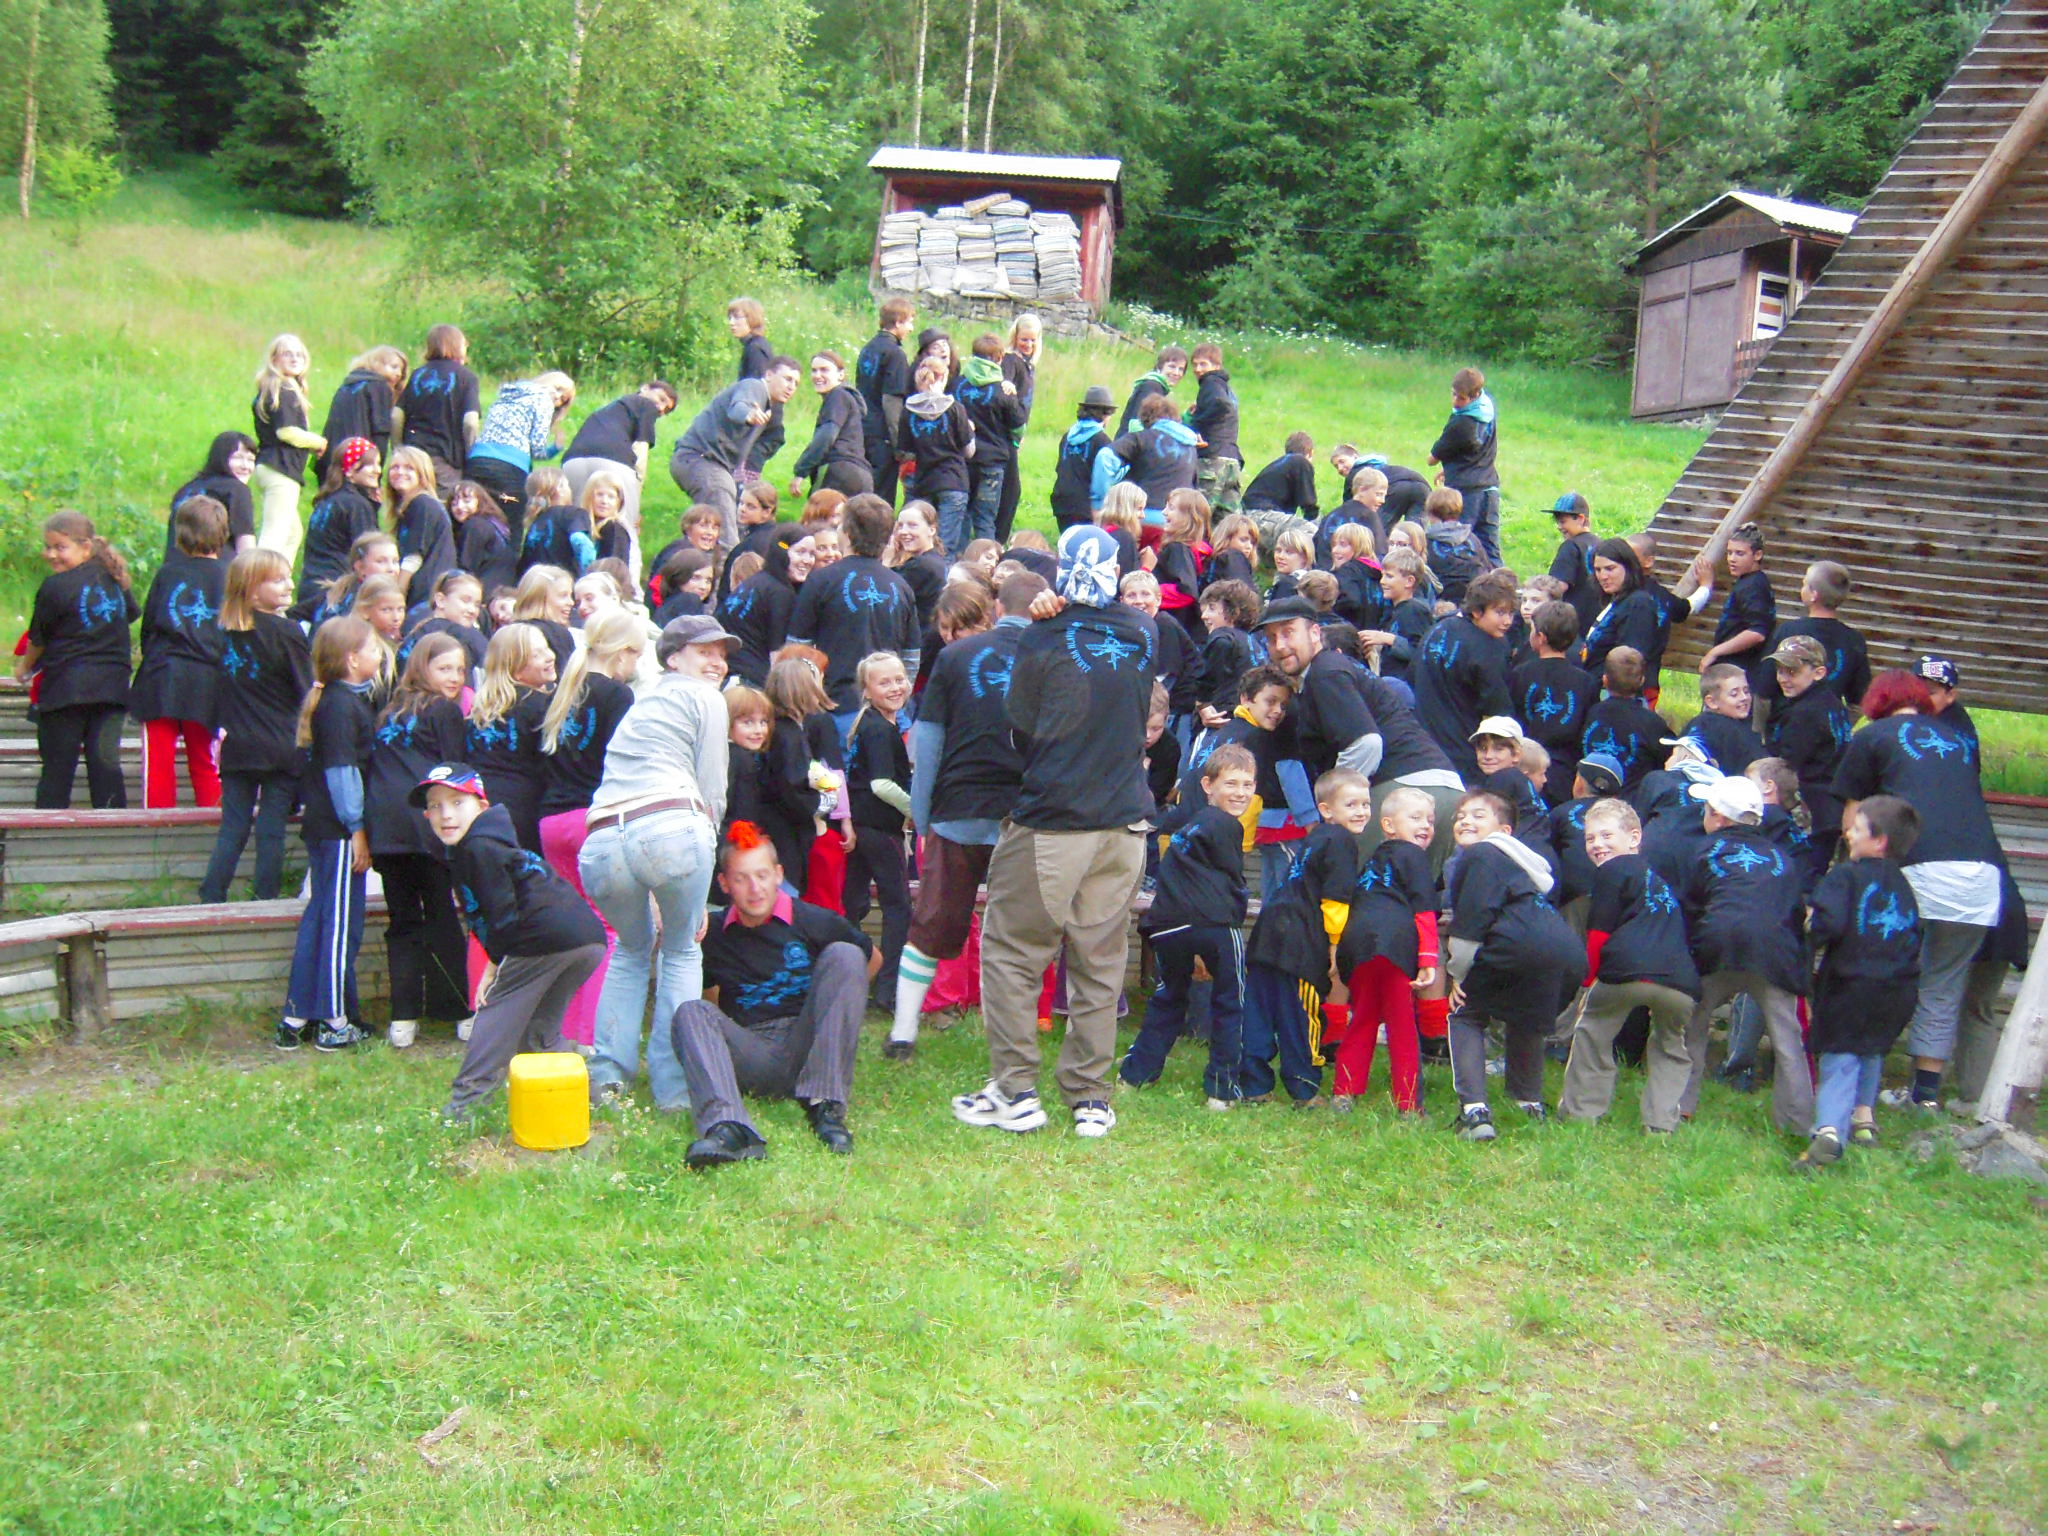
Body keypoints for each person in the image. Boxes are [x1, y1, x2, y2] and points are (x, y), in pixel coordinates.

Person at [951, 527, 1154, 1138]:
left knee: (1013, 953)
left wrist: (1046, 614)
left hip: (1052, 821)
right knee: (1100, 961)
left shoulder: (1040, 636)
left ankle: (1015, 1091)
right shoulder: (1144, 633)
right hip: (1124, 824)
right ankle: (1091, 1098)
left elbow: (1019, 731)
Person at [1832, 670, 2004, 1113]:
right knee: (1943, 983)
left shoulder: (1872, 737)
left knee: (1878, 969)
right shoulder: (1956, 741)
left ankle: (1857, 1081)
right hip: (1983, 876)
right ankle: (1924, 1096)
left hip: (1920, 869)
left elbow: (1853, 820)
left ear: (1877, 702)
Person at [579, 614, 731, 1112]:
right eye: (704, 651)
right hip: (672, 828)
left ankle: (608, 1078)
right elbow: (712, 789)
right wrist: (703, 876)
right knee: (682, 951)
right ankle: (674, 1089)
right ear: (673, 658)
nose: (717, 662)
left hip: (603, 840)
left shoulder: (639, 703)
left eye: (721, 654)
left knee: (629, 949)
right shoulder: (706, 698)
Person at [887, 571, 1038, 1057]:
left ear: (997, 608)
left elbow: (928, 743)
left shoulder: (953, 657)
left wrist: (922, 817)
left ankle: (902, 1033)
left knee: (931, 925)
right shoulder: (1053, 657)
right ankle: (1013, 1038)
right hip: (1028, 817)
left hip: (958, 810)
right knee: (1018, 934)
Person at [670, 821, 875, 1167]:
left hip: (809, 1041)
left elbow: (870, 961)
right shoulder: (714, 933)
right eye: (741, 879)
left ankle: (825, 1105)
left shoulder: (813, 920)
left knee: (846, 955)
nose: (755, 889)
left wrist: (839, 1014)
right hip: (755, 1051)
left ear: (779, 875)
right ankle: (729, 1128)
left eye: (762, 875)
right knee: (691, 1012)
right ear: (724, 884)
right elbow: (709, 995)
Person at [412, 764, 608, 1120]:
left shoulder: (478, 848)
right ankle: (592, 1099)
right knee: (539, 1033)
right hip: (586, 939)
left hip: (543, 938)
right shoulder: (493, 842)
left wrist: (496, 967)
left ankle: (465, 1107)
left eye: (457, 802)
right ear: (427, 815)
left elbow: (501, 913)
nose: (446, 814)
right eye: (436, 806)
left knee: (494, 1015)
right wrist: (496, 960)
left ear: (481, 806)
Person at [1676, 773, 1813, 1135]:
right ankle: (1797, 1123)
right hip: (1773, 951)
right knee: (1788, 1041)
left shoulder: (1702, 851)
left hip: (1716, 942)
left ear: (1719, 818)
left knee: (1692, 1025)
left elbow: (1688, 906)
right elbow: (1794, 913)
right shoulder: (1781, 857)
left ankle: (1679, 1106)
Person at [1119, 743, 1255, 1105]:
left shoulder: (1187, 825)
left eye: (1247, 784)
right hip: (1213, 923)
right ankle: (1222, 1090)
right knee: (1230, 1003)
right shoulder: (1226, 825)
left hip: (1168, 925)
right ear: (1208, 785)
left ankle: (1135, 1074)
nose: (1241, 793)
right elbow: (1233, 880)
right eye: (1231, 783)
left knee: (1168, 999)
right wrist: (1233, 916)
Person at [1442, 790, 1581, 1140]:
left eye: (1478, 815)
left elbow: (1473, 918)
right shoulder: (1522, 869)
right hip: (1565, 949)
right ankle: (1528, 1104)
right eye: (1461, 816)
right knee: (1528, 1019)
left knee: (1465, 1013)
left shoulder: (1481, 854)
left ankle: (1475, 1113)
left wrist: (1458, 973)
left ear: (1504, 831)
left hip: (1515, 943)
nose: (1465, 821)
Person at [534, 611, 644, 1048]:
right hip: (591, 819)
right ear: (623, 653)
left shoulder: (563, 690)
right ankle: (591, 1036)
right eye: (637, 656)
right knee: (607, 929)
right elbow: (623, 762)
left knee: (573, 929)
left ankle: (561, 1029)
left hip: (552, 822)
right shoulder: (617, 694)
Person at [1556, 797, 1700, 1131]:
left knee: (1592, 1033)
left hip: (1626, 970)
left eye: (1607, 835)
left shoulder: (1613, 870)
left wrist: (1588, 981)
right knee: (1671, 1046)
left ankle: (1581, 1113)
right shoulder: (1659, 881)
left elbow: (1598, 933)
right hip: (1679, 982)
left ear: (1634, 837)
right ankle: (1661, 1123)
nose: (1597, 844)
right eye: (1590, 838)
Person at [1798, 794, 1924, 1170]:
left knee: (1840, 1057)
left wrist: (1809, 927)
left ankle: (1828, 1132)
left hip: (1851, 984)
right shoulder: (1904, 885)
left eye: (1856, 829)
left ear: (1879, 840)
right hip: (1898, 987)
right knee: (1871, 1049)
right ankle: (1863, 1123)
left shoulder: (1845, 875)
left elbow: (1829, 923)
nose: (1848, 834)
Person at [276, 617, 383, 1052]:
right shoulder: (341, 706)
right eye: (373, 648)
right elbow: (343, 774)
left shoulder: (339, 701)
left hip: (326, 828)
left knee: (320, 918)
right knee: (340, 925)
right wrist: (356, 828)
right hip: (338, 831)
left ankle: (296, 1016)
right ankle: (334, 1021)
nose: (379, 655)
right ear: (353, 659)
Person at [366, 634, 473, 1049]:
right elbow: (456, 770)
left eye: (460, 670)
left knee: (404, 921)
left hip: (385, 830)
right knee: (442, 914)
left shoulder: (388, 711)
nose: (455, 677)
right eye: (444, 668)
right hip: (426, 825)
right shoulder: (443, 711)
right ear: (420, 667)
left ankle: (403, 1016)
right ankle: (458, 1009)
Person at [1241, 768, 1369, 1106]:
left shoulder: (1316, 838)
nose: (1360, 811)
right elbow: (1335, 900)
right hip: (1298, 942)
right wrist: (1335, 946)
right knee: (1302, 1015)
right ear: (1326, 810)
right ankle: (1304, 1087)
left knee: (1260, 1010)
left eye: (1365, 804)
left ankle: (1254, 1085)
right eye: (1351, 804)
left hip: (1268, 932)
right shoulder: (1341, 841)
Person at [200, 551, 310, 902]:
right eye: (277, 580)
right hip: (281, 743)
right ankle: (265, 897)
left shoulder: (224, 632)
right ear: (251, 588)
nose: (289, 585)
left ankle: (212, 894)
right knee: (271, 828)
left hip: (238, 743)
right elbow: (306, 690)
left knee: (233, 826)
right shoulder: (287, 632)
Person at [19, 511, 138, 810]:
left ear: (86, 547)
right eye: (48, 547)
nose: (51, 555)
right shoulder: (114, 579)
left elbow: (38, 640)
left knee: (57, 769)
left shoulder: (55, 587)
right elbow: (131, 614)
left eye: (60, 547)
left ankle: (48, 826)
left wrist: (24, 667)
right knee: (106, 766)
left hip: (66, 690)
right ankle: (113, 826)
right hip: (112, 689)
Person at [1332, 785, 1440, 1114]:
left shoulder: (1372, 862)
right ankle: (1408, 1104)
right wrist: (1428, 958)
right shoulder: (1414, 856)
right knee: (1402, 1024)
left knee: (1363, 1017)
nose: (1425, 825)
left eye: (1430, 820)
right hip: (1394, 945)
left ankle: (1344, 1092)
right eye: (1416, 818)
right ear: (1389, 825)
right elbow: (1424, 910)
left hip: (1357, 945)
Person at [782, 493, 920, 721]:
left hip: (835, 707)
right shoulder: (901, 586)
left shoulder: (820, 581)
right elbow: (911, 657)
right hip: (886, 712)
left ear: (845, 532)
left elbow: (797, 649)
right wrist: (898, 702)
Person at [132, 496, 227, 809]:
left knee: (158, 762)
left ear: (180, 533)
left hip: (162, 676)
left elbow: (149, 628)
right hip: (209, 679)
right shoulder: (231, 576)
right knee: (205, 762)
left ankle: (156, 827)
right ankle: (211, 824)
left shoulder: (168, 573)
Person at [841, 653, 913, 1011]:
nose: (895, 687)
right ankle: (888, 990)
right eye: (884, 682)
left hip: (859, 828)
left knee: (853, 904)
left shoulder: (871, 724)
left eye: (899, 679)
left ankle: (847, 980)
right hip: (879, 831)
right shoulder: (880, 730)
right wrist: (916, 812)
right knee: (898, 907)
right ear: (867, 691)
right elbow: (881, 784)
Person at [670, 358, 801, 554]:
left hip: (714, 464)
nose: (791, 387)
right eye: (787, 379)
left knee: (724, 523)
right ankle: (728, 567)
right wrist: (749, 415)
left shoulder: (773, 407)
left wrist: (749, 464)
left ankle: (694, 560)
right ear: (769, 375)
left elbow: (775, 438)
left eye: (796, 383)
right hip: (699, 458)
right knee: (727, 536)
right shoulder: (754, 387)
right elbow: (738, 407)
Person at [1409, 568, 1517, 783]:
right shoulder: (1488, 647)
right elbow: (1498, 708)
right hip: (1464, 749)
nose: (1508, 621)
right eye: (1500, 613)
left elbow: (1411, 676)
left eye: (1511, 613)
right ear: (1477, 611)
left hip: (1422, 743)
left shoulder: (1437, 629)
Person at [1761, 634, 1853, 870]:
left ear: (1818, 673)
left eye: (1792, 672)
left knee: (1802, 875)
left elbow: (1786, 765)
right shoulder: (1833, 703)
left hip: (1810, 812)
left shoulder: (1804, 713)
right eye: (1780, 671)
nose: (1783, 679)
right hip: (1832, 807)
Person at [466, 624, 555, 852]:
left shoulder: (479, 710)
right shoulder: (540, 706)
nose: (550, 657)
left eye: (547, 648)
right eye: (537, 654)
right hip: (525, 812)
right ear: (515, 669)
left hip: (480, 810)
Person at [465, 372, 576, 553]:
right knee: (513, 522)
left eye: (562, 399)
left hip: (477, 462)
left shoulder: (507, 395)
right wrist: (556, 448)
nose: (557, 397)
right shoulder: (542, 399)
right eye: (558, 389)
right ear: (546, 381)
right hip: (508, 469)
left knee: (473, 515)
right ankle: (507, 566)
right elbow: (537, 448)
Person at [1758, 560, 1870, 725]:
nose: (1802, 588)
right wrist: (1837, 727)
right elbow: (1858, 701)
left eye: (1804, 584)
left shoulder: (1788, 632)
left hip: (1786, 726)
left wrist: (1761, 730)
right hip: (1827, 731)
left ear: (1813, 595)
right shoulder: (1854, 640)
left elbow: (1764, 690)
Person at [1508, 600, 1598, 803]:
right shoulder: (1586, 682)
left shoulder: (1520, 674)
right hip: (1565, 771)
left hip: (1525, 764)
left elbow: (1513, 717)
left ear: (1540, 638)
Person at [250, 333, 325, 563]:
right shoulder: (283, 388)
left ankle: (280, 580)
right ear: (274, 359)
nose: (295, 358)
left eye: (299, 354)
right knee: (274, 537)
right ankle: (258, 581)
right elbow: (287, 432)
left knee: (292, 534)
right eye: (288, 354)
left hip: (270, 467)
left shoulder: (276, 387)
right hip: (280, 470)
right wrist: (320, 443)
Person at [562, 380, 677, 529]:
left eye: (666, 410)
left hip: (572, 462)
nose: (660, 408)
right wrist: (635, 495)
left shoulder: (604, 411)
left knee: (577, 525)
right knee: (624, 528)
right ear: (644, 388)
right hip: (614, 461)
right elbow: (640, 449)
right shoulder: (645, 404)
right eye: (661, 399)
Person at [896, 355, 975, 553]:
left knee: (920, 545)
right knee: (945, 547)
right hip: (953, 479)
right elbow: (969, 451)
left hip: (924, 481)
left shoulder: (908, 410)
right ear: (943, 377)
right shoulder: (955, 408)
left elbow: (905, 451)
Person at [953, 335, 1025, 549]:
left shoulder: (956, 385)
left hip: (963, 460)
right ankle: (987, 559)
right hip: (992, 462)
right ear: (1000, 358)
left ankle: (959, 559)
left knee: (962, 514)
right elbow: (1017, 424)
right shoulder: (1003, 390)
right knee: (985, 517)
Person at [393, 324, 481, 495]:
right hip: (444, 460)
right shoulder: (467, 377)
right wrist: (471, 456)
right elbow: (470, 423)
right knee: (444, 507)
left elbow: (396, 416)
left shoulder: (417, 375)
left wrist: (398, 449)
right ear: (456, 345)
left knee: (411, 504)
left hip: (413, 456)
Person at [1427, 365, 1500, 565]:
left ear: (1474, 396)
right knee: (1490, 551)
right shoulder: (1487, 409)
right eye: (1453, 395)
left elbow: (1432, 459)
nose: (1455, 402)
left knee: (1458, 546)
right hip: (1489, 488)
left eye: (1461, 398)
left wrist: (1445, 462)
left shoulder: (1461, 423)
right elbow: (1476, 449)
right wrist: (1450, 467)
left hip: (1466, 493)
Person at [721, 525, 809, 686]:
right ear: (782, 551)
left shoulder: (752, 583)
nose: (807, 560)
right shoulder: (779, 593)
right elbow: (777, 654)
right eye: (800, 552)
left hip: (728, 676)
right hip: (751, 682)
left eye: (811, 554)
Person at [1696, 522, 1776, 697]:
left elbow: (1757, 632)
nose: (1732, 559)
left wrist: (1715, 652)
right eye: (1729, 552)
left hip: (1742, 671)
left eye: (1740, 553)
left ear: (1758, 555)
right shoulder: (1748, 582)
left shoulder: (1753, 586)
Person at [1579, 648, 1671, 794]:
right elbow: (1668, 760)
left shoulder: (1592, 712)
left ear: (1605, 680)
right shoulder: (1653, 724)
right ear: (1642, 681)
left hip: (1590, 794)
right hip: (1632, 800)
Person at [856, 298, 916, 503]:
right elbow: (892, 402)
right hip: (882, 434)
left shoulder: (868, 348)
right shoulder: (895, 354)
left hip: (863, 427)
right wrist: (900, 445)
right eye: (909, 322)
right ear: (898, 322)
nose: (911, 328)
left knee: (863, 490)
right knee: (880, 497)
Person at [315, 346, 406, 480]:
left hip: (333, 457)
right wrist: (376, 468)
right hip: (359, 460)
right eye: (394, 367)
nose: (398, 373)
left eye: (401, 370)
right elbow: (380, 430)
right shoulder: (380, 387)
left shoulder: (348, 384)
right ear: (376, 363)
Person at [790, 352, 873, 497]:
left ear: (841, 375)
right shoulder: (849, 399)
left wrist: (801, 471)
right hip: (862, 476)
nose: (817, 375)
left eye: (824, 370)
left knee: (818, 511)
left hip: (838, 471)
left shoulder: (837, 395)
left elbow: (827, 435)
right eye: (814, 370)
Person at [384, 446, 457, 611]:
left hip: (425, 597)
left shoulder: (422, 504)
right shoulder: (409, 507)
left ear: (422, 474)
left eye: (409, 468)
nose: (400, 472)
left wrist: (397, 596)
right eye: (395, 467)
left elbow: (413, 557)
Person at [1580, 537, 1665, 678]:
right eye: (1598, 570)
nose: (1603, 576)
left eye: (1610, 568)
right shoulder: (1616, 600)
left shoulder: (1638, 604)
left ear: (1628, 567)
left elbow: (1630, 662)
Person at [993, 312, 1041, 543]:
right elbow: (1006, 388)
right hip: (1004, 433)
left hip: (1015, 433)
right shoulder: (1011, 360)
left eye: (1032, 340)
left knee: (1007, 489)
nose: (1028, 344)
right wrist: (1015, 425)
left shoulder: (1029, 365)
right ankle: (997, 540)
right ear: (1015, 337)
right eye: (1024, 339)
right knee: (1011, 491)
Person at [170, 431, 257, 556]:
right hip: (217, 566)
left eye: (251, 460)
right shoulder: (237, 490)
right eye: (237, 458)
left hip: (174, 566)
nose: (245, 466)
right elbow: (246, 548)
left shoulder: (186, 490)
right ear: (220, 458)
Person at [729, 296, 787, 483]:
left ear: (752, 319)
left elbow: (758, 392)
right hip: (762, 425)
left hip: (763, 427)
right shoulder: (753, 346)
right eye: (730, 317)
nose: (731, 323)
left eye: (737, 317)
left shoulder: (756, 349)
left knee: (743, 480)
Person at [1111, 396, 1201, 515]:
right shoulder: (1191, 446)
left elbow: (1106, 456)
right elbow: (1194, 485)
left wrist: (1101, 498)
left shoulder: (1142, 438)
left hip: (1142, 512)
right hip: (1178, 516)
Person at [1049, 385, 1119, 532]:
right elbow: (1104, 479)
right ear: (1105, 414)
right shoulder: (1102, 441)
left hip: (1061, 501)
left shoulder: (1067, 436)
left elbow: (1060, 467)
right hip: (1085, 507)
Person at [1360, 548, 1434, 685]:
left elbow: (1421, 652)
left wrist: (1387, 639)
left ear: (1409, 581)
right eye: (1382, 575)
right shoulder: (1393, 609)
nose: (1382, 581)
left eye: (1389, 576)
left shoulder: (1414, 609)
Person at [1679, 663, 1764, 775]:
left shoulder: (1695, 723)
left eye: (1746, 691)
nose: (1744, 697)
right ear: (1712, 702)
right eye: (1734, 694)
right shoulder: (1729, 730)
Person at [1187, 343, 1241, 514]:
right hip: (1231, 460)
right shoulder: (1227, 389)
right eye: (1195, 364)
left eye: (1203, 364)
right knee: (1228, 520)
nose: (1198, 369)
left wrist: (1196, 427)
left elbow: (1220, 405)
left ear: (1217, 366)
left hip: (1212, 460)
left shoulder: (1209, 382)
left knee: (1197, 515)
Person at [1241, 431, 1320, 550]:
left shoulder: (1281, 464)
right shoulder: (1301, 462)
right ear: (1311, 452)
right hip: (1262, 514)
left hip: (1246, 515)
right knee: (1311, 532)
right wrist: (1320, 528)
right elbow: (1309, 505)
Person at [1419, 487, 1487, 610]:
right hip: (1473, 602)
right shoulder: (1472, 539)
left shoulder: (1426, 542)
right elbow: (1486, 568)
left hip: (1440, 603)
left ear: (1430, 513)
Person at [1546, 494, 1602, 636]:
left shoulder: (1570, 546)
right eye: (1558, 522)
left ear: (1581, 519)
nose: (1559, 527)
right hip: (1597, 625)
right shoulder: (1600, 544)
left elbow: (1556, 587)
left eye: (1563, 521)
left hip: (1573, 628)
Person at [1120, 346, 1187, 436]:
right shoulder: (1151, 386)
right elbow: (1137, 422)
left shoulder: (1159, 388)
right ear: (1159, 367)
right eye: (1172, 367)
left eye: (1181, 369)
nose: (1176, 373)